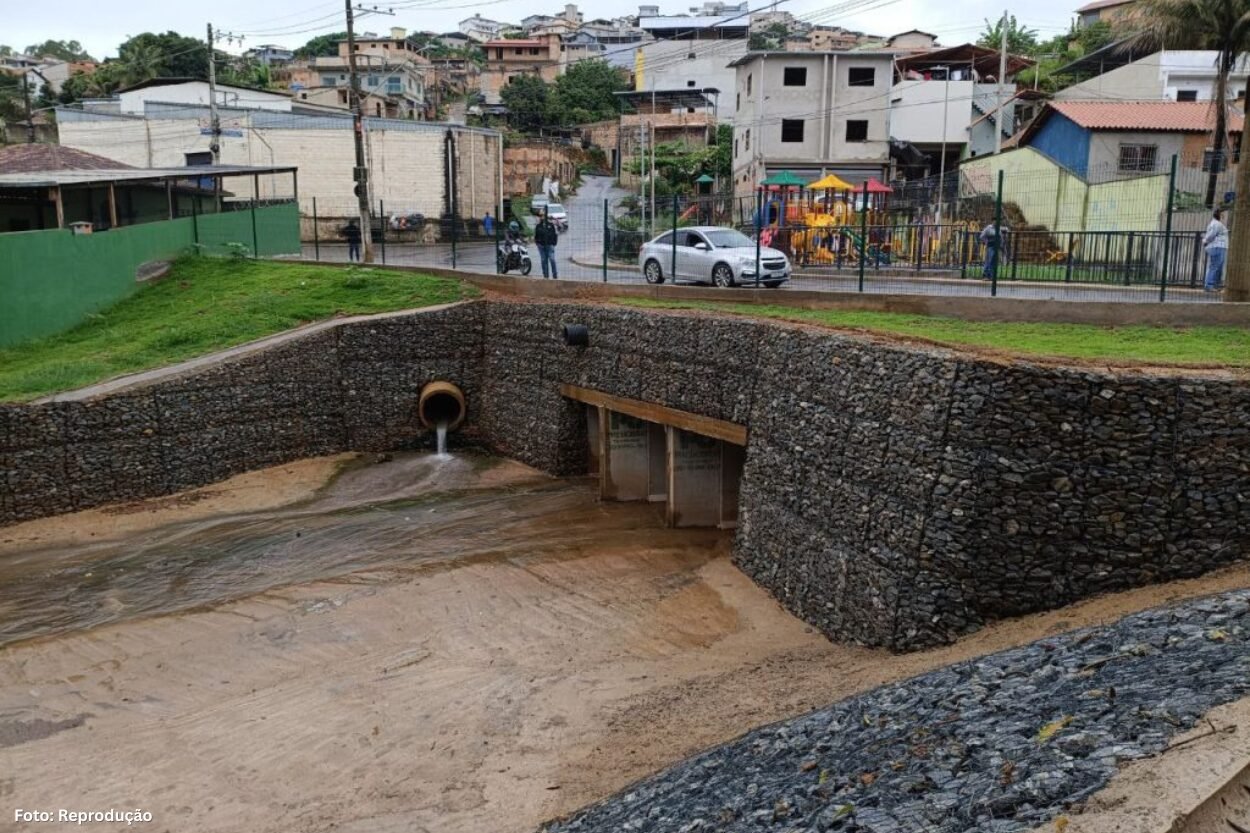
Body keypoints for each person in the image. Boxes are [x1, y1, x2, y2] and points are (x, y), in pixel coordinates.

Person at [1203, 208, 1229, 292]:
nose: (1223, 216)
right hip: (1217, 246)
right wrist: (1206, 241)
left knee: (1218, 267)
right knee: (1215, 266)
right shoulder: (1216, 224)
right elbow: (1211, 235)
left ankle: (1215, 285)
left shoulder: (1217, 224)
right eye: (1222, 215)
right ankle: (1209, 285)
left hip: (1220, 246)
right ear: (1219, 214)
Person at [534, 209, 559, 279]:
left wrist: (554, 243)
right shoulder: (538, 225)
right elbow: (536, 235)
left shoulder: (550, 225)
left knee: (552, 259)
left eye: (542, 215)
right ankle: (545, 276)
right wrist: (538, 243)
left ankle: (555, 275)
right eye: (540, 215)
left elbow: (555, 234)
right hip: (541, 246)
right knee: (543, 260)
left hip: (550, 245)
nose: (541, 217)